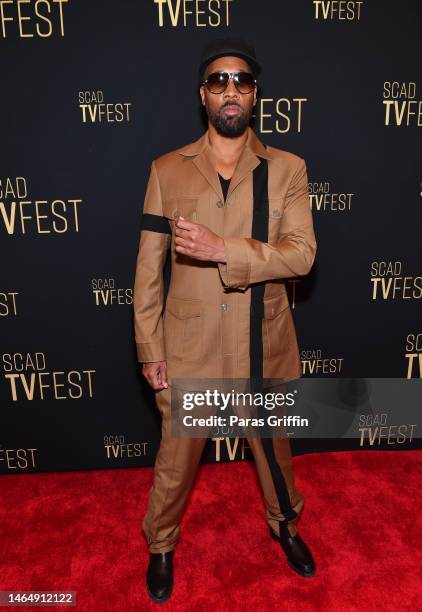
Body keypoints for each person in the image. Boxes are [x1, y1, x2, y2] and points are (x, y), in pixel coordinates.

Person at [133, 37, 318, 603]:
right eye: (219, 81)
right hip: (189, 347)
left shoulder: (287, 169)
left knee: (274, 451)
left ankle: (285, 527)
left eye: (241, 80)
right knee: (176, 460)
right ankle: (161, 544)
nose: (230, 90)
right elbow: (148, 271)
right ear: (203, 95)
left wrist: (223, 249)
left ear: (255, 94)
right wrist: (150, 347)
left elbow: (301, 255)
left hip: (262, 341)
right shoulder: (167, 170)